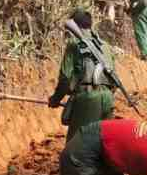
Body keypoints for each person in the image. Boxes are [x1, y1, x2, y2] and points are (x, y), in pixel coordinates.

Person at [48, 9, 116, 142]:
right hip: (108, 98)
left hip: (88, 98)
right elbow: (113, 79)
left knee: (76, 148)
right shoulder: (105, 46)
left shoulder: (74, 45)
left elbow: (65, 79)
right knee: (102, 145)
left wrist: (56, 99)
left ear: (74, 27)